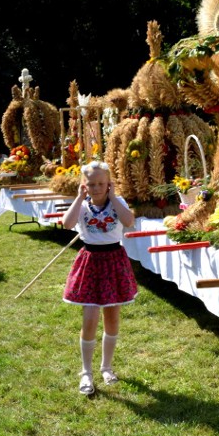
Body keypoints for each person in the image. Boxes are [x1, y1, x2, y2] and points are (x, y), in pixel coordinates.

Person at [61, 161, 137, 396]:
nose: (96, 188)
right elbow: (67, 224)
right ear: (85, 185)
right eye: (91, 184)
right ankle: (86, 372)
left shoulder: (118, 202)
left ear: (109, 184)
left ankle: (106, 366)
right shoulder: (82, 206)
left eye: (101, 184)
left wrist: (114, 197)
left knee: (112, 318)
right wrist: (77, 198)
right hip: (91, 262)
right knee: (90, 319)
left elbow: (129, 221)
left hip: (114, 262)